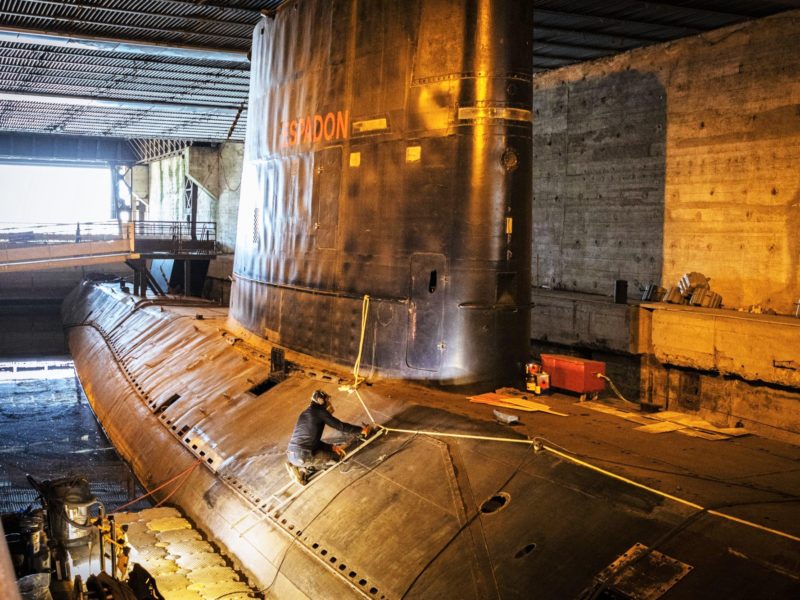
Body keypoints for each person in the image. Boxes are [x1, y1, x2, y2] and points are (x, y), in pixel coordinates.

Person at [286, 390, 370, 485]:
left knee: (331, 451)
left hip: (293, 453)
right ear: (320, 400)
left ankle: (299, 465)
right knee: (336, 458)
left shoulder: (305, 413)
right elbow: (340, 426)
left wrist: (331, 447)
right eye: (326, 400)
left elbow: (312, 441)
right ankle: (303, 469)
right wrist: (360, 430)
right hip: (302, 455)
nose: (328, 402)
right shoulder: (319, 411)